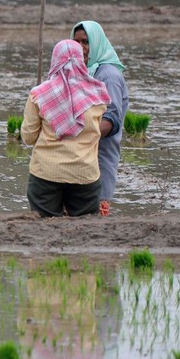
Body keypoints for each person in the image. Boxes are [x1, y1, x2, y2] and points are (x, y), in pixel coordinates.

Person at [21, 40, 111, 217]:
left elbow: (28, 137)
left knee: (43, 227)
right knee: (85, 229)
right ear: (81, 59)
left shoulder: (39, 94)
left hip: (46, 174)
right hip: (85, 173)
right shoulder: (97, 93)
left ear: (55, 60)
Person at [72, 21, 129, 216]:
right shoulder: (85, 71)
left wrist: (81, 136)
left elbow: (111, 120)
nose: (80, 47)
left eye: (86, 42)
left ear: (97, 43)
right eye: (76, 41)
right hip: (80, 160)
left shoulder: (109, 75)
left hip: (99, 159)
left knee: (94, 220)